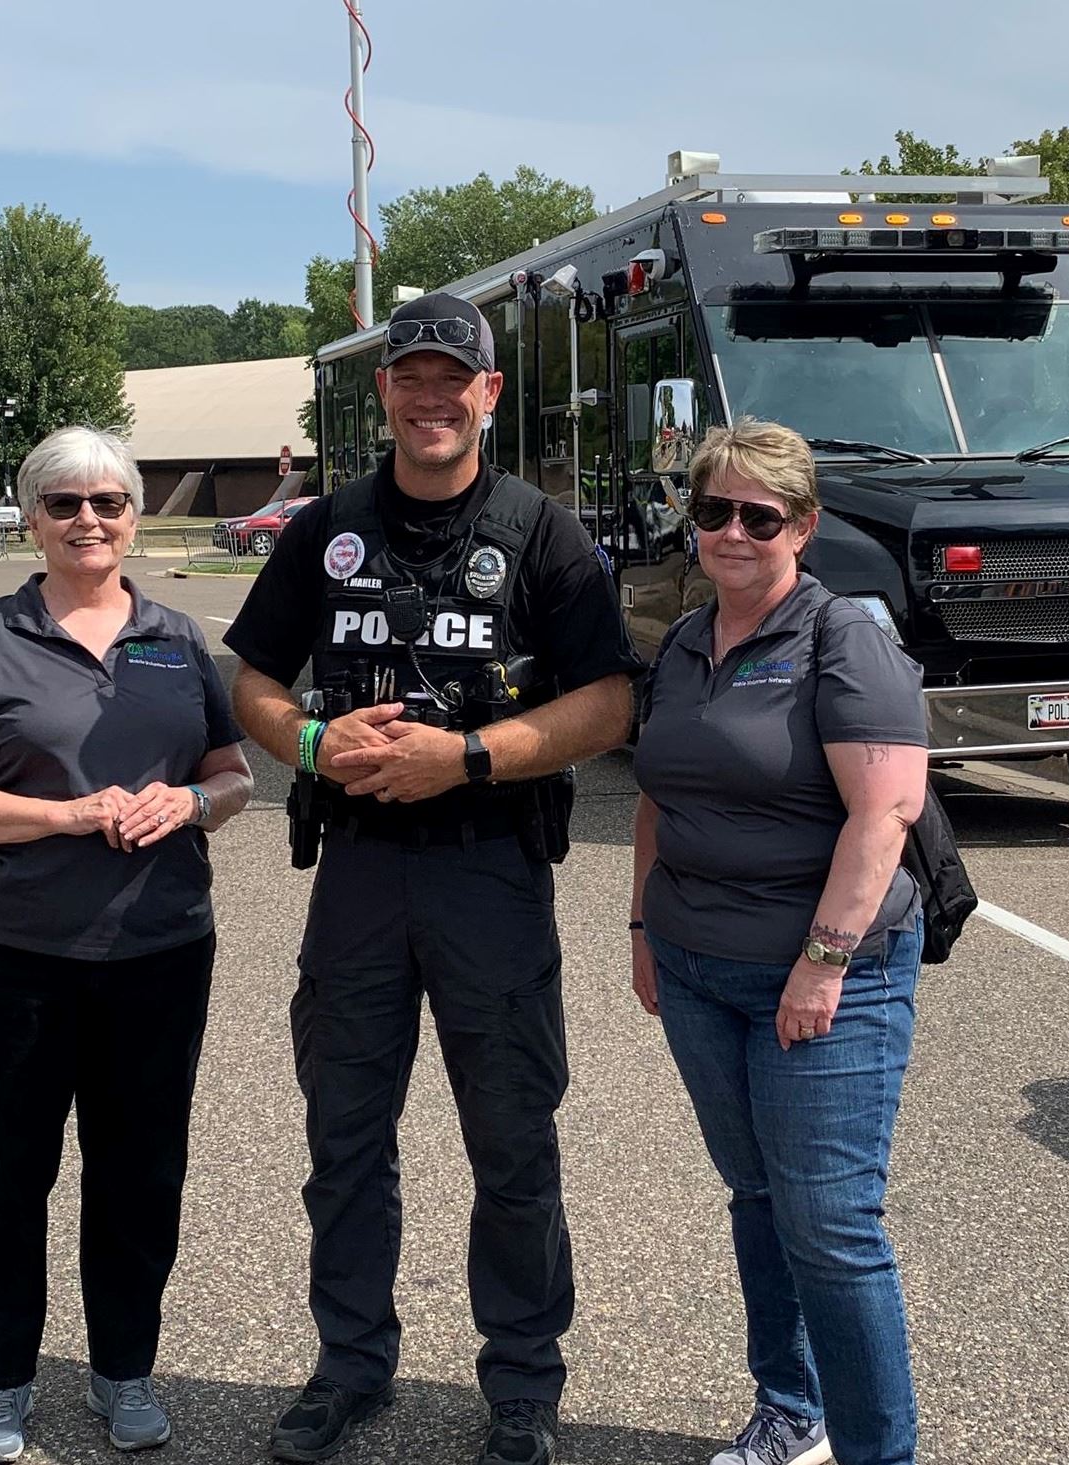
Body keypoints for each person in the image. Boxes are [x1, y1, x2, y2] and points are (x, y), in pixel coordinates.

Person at [225, 291, 640, 1465]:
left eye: (451, 379)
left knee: (512, 1142)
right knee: (345, 1139)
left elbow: (608, 701)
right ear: (385, 393)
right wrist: (309, 745)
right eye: (410, 375)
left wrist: (463, 757)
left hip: (487, 875)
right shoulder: (325, 530)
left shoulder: (542, 532)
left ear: (488, 395)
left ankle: (521, 1384)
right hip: (356, 876)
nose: (429, 397)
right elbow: (248, 675)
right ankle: (349, 1367)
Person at [0, 426, 253, 1463]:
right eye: (65, 504)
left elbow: (233, 775)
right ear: (33, 517)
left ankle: (123, 1372)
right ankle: (4, 1379)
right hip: (2, 952)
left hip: (156, 950)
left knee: (141, 1172)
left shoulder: (177, 638)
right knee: (3, 1174)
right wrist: (65, 815)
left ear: (135, 515)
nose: (88, 520)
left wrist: (189, 800)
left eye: (108, 502)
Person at [630, 418, 928, 1465]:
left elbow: (885, 811)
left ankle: (877, 1453)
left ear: (800, 525)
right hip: (697, 966)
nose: (732, 532)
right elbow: (656, 797)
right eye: (712, 510)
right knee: (757, 1197)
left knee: (833, 1232)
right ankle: (789, 1411)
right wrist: (640, 928)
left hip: (824, 977)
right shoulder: (681, 639)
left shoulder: (842, 632)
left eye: (760, 515)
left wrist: (824, 960)